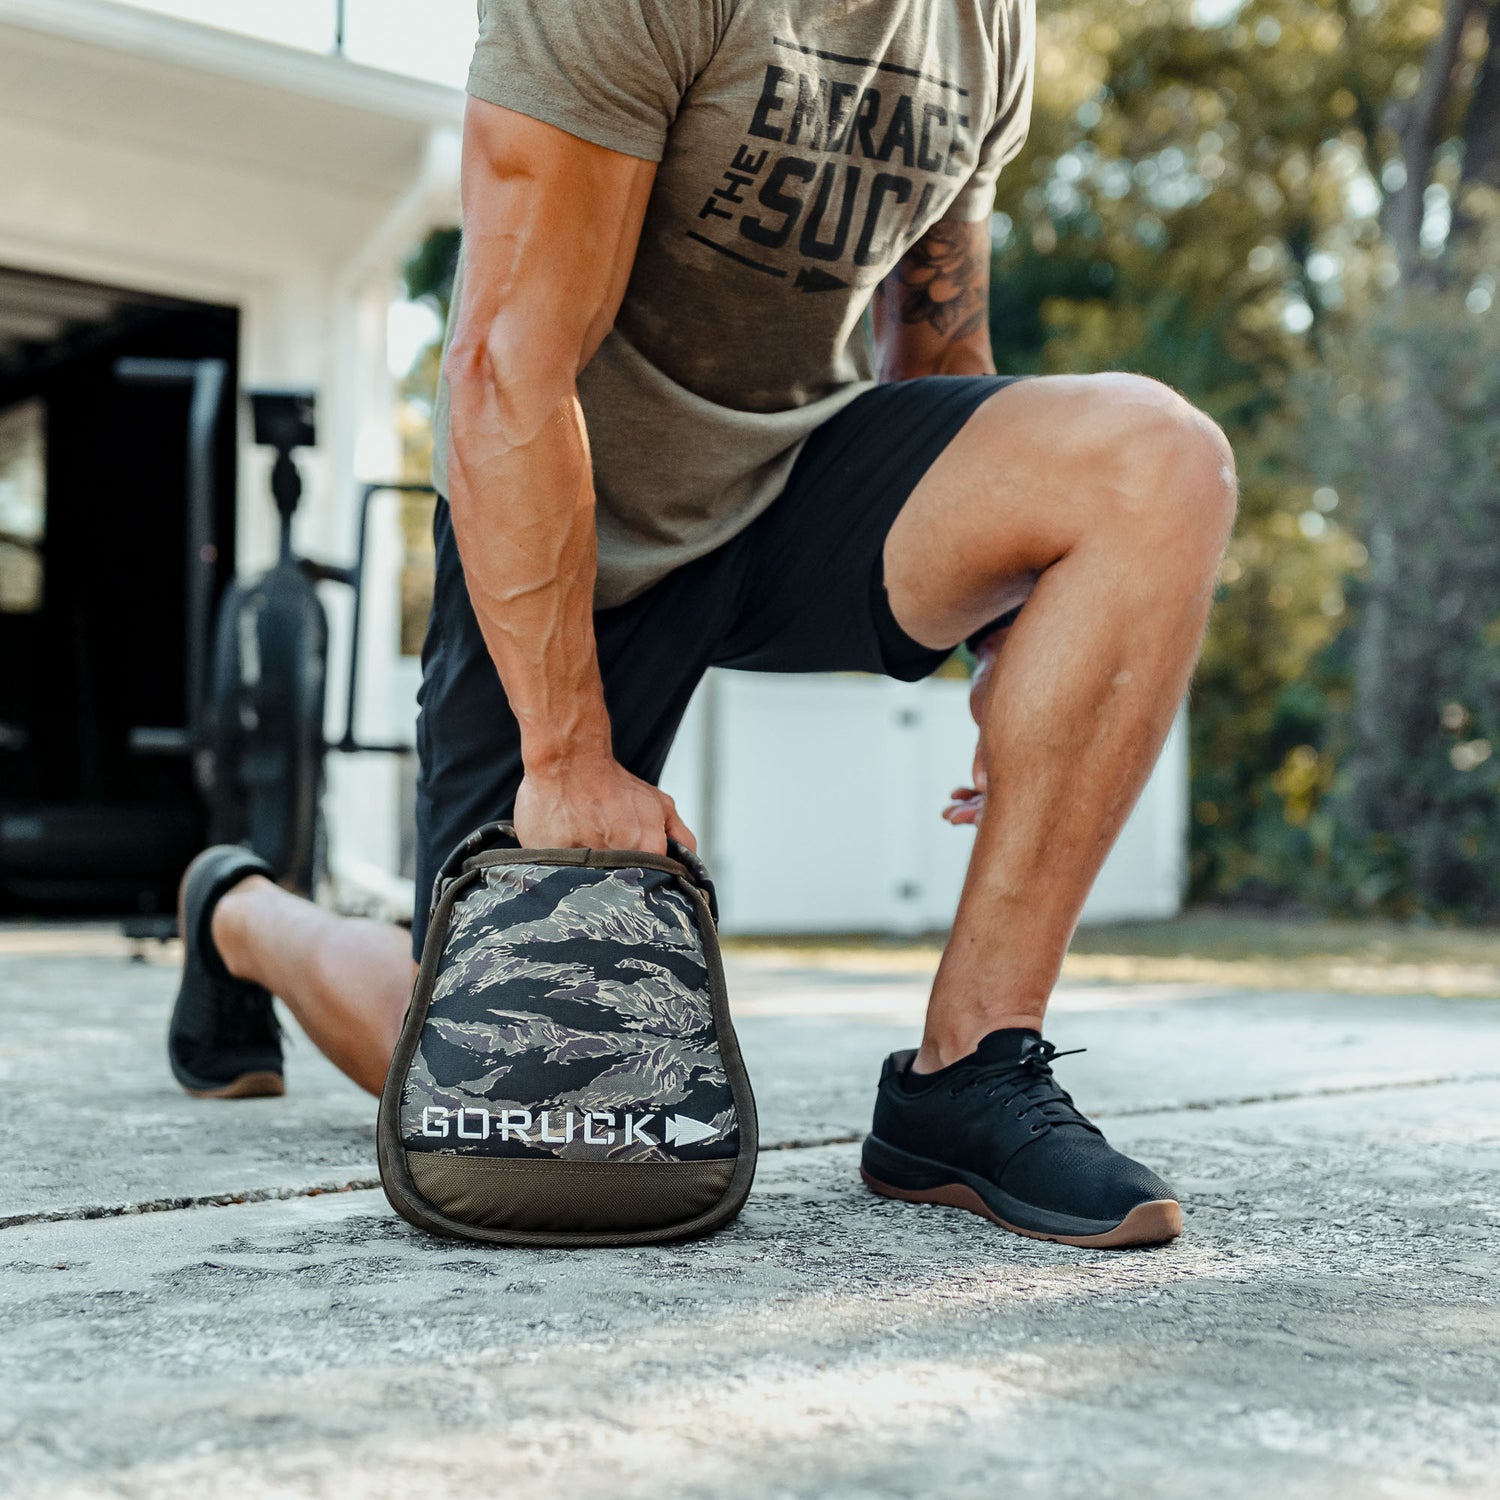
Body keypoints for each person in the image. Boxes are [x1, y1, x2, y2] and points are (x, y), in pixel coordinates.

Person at [167, 0, 1236, 1249]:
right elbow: (507, 359)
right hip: (569, 516)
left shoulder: (984, 19)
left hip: (796, 484)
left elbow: (938, 343)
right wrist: (566, 756)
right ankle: (238, 914)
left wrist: (1005, 633)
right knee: (494, 1073)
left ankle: (970, 1074)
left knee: (1159, 461)